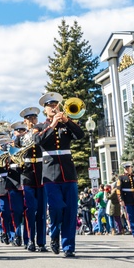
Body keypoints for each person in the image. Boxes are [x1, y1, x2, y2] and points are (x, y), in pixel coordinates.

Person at [36, 92, 85, 257]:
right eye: (50, 106)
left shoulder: (66, 125)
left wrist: (67, 121)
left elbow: (80, 135)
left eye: (55, 105)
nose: (53, 108)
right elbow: (37, 142)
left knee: (70, 211)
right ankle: (55, 234)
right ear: (45, 110)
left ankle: (68, 247)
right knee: (57, 208)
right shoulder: (41, 127)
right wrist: (52, 125)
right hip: (51, 174)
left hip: (69, 173)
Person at [15, 109, 47, 252]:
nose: (32, 121)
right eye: (29, 119)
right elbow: (15, 150)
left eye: (34, 118)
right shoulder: (22, 137)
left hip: (41, 173)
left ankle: (41, 242)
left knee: (41, 210)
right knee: (30, 209)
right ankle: (30, 240)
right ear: (25, 122)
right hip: (27, 175)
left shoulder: (42, 131)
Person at [116, 162, 134, 238]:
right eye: (126, 168)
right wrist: (121, 200)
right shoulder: (121, 178)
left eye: (129, 168)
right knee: (130, 216)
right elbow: (118, 190)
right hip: (127, 199)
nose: (127, 170)